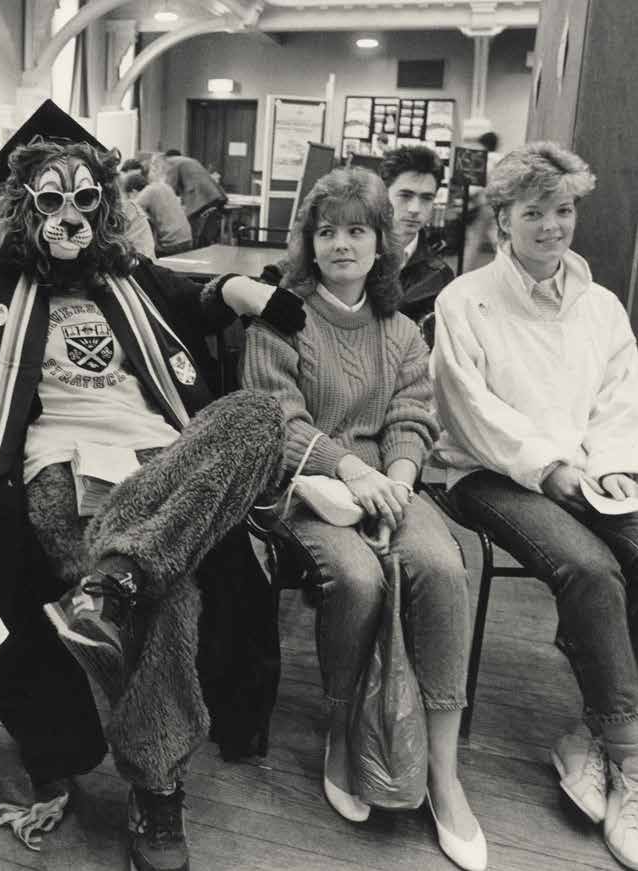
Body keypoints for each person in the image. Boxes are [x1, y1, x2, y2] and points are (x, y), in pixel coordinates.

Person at [0, 100, 303, 871]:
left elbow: (198, 295)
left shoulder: (131, 280)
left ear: (107, 202)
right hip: (58, 468)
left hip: (158, 460)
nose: (69, 216)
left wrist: (245, 294)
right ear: (24, 208)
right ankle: (157, 786)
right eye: (50, 201)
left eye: (85, 199)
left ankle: (117, 578)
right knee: (168, 591)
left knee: (258, 414)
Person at [240, 167, 485, 871]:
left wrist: (399, 484)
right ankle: (343, 725)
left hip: (391, 481)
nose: (341, 243)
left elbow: (414, 416)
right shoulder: (282, 316)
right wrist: (353, 471)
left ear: (383, 244)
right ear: (307, 242)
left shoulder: (402, 328)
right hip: (307, 484)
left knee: (441, 564)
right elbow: (274, 418)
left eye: (357, 230)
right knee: (356, 576)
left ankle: (442, 771)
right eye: (326, 230)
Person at [430, 142, 638, 870]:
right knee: (589, 566)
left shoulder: (601, 305)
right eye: (534, 213)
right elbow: (468, 410)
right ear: (502, 219)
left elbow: (622, 399)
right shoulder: (466, 300)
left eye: (564, 209)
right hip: (487, 473)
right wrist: (545, 466)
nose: (553, 226)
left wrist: (609, 470)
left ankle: (591, 736)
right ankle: (630, 762)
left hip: (588, 471)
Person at [379, 144, 454, 320]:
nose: (415, 209)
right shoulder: (353, 253)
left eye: (427, 198)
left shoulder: (440, 276)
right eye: (405, 196)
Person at [122, 158, 193, 258]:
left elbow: (129, 211)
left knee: (144, 258)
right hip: (187, 239)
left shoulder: (149, 191)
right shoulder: (165, 187)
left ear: (133, 192)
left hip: (172, 245)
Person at [155, 150, 223, 217]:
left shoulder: (170, 161)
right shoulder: (189, 160)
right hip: (215, 195)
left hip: (199, 199)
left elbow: (170, 187)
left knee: (191, 222)